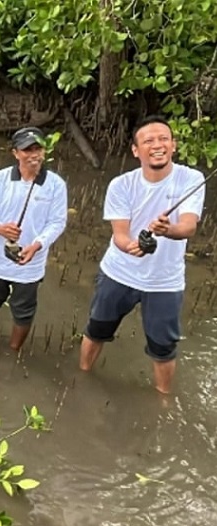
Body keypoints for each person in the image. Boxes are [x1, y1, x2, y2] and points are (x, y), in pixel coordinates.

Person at [79, 116, 204, 394]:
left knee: (163, 347)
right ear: (136, 150)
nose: (157, 145)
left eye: (163, 139)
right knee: (97, 329)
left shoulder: (192, 179)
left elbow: (188, 226)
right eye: (148, 140)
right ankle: (82, 377)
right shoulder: (121, 185)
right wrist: (132, 247)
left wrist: (167, 229)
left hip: (165, 281)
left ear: (173, 145)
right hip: (119, 272)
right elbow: (120, 235)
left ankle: (163, 399)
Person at [0, 127, 67, 352]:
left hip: (30, 264)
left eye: (38, 149)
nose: (34, 154)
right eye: (28, 150)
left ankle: (13, 350)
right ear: (16, 153)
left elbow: (57, 223)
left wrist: (37, 244)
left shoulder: (56, 184)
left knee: (24, 311)